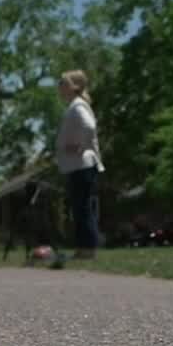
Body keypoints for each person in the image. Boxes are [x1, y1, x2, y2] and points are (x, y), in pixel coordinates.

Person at [55, 70, 104, 259]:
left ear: (73, 86)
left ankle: (88, 249)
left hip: (82, 164)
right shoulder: (75, 106)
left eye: (62, 82)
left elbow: (89, 126)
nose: (59, 86)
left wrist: (80, 145)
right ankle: (83, 248)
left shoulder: (77, 106)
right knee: (80, 207)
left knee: (83, 208)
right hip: (77, 166)